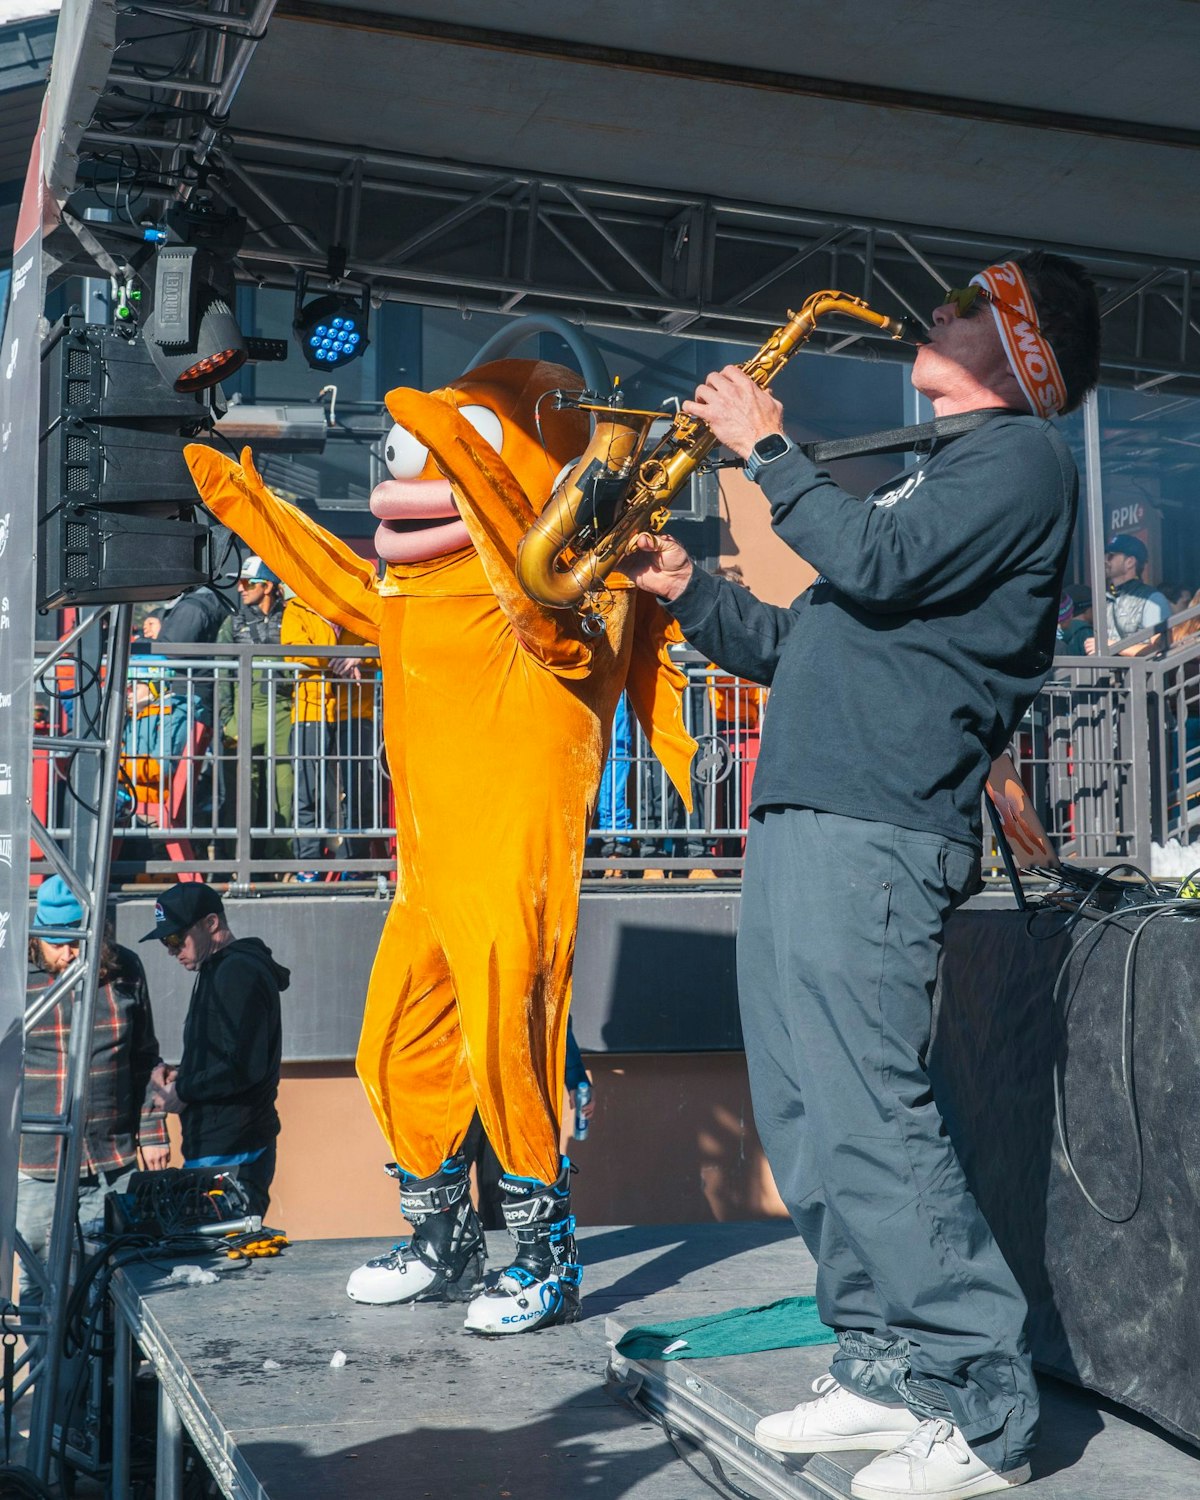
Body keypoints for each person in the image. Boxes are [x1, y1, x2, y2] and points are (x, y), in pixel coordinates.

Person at [625, 252, 1101, 1500]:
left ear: (1016, 342)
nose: (931, 319)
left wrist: (769, 450)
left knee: (872, 1117)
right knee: (808, 1118)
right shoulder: (938, 473)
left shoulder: (1018, 461)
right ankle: (888, 1365)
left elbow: (872, 570)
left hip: (878, 823)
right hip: (816, 808)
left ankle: (986, 1407)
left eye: (960, 310)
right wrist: (688, 597)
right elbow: (809, 643)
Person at [18, 878, 170, 1293]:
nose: (67, 953)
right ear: (37, 936)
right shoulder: (12, 974)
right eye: (56, 943)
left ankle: (98, 1362)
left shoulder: (125, 968)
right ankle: (49, 1363)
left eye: (75, 941)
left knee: (109, 1283)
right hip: (37, 1160)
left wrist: (153, 1131)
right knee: (42, 1285)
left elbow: (145, 1058)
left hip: (110, 1156)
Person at [145, 883, 288, 1218]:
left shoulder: (237, 971)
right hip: (222, 1144)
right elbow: (231, 1054)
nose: (171, 950)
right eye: (167, 942)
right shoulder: (220, 967)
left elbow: (243, 1067)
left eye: (176, 938)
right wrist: (186, 1074)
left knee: (222, 1260)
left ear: (211, 923)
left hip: (233, 1149)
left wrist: (181, 1091)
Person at [281, 594, 375, 880]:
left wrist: (356, 657)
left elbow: (383, 640)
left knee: (357, 789)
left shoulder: (362, 605)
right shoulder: (297, 608)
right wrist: (338, 659)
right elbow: (292, 650)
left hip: (356, 710)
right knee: (308, 788)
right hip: (312, 709)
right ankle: (308, 863)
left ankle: (354, 863)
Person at [216, 555, 294, 864]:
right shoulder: (233, 622)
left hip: (285, 713)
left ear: (269, 586)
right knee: (245, 792)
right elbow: (222, 673)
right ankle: (241, 862)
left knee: (284, 790)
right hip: (244, 714)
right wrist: (226, 721)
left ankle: (281, 862)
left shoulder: (292, 618)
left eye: (249, 582)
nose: (241, 587)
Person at [1084, 534, 1170, 656]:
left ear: (1130, 562)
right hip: (1110, 674)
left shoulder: (1153, 599)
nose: (1105, 560)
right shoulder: (1106, 599)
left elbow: (1159, 649)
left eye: (1110, 556)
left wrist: (1111, 646)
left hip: (1140, 674)